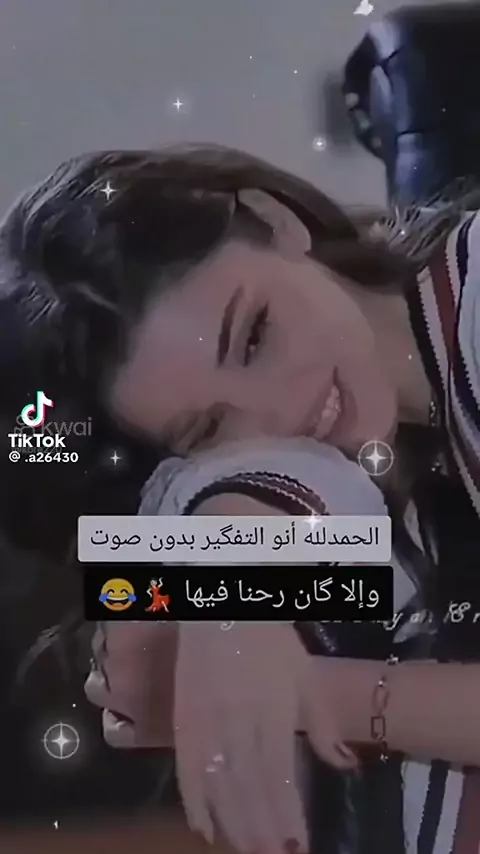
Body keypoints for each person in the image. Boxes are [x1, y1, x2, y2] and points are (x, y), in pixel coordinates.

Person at [1, 144, 480, 854]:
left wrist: (312, 692)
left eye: (254, 336)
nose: (280, 411)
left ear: (277, 220)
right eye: (211, 430)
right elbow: (131, 596)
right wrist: (210, 592)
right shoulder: (381, 471)